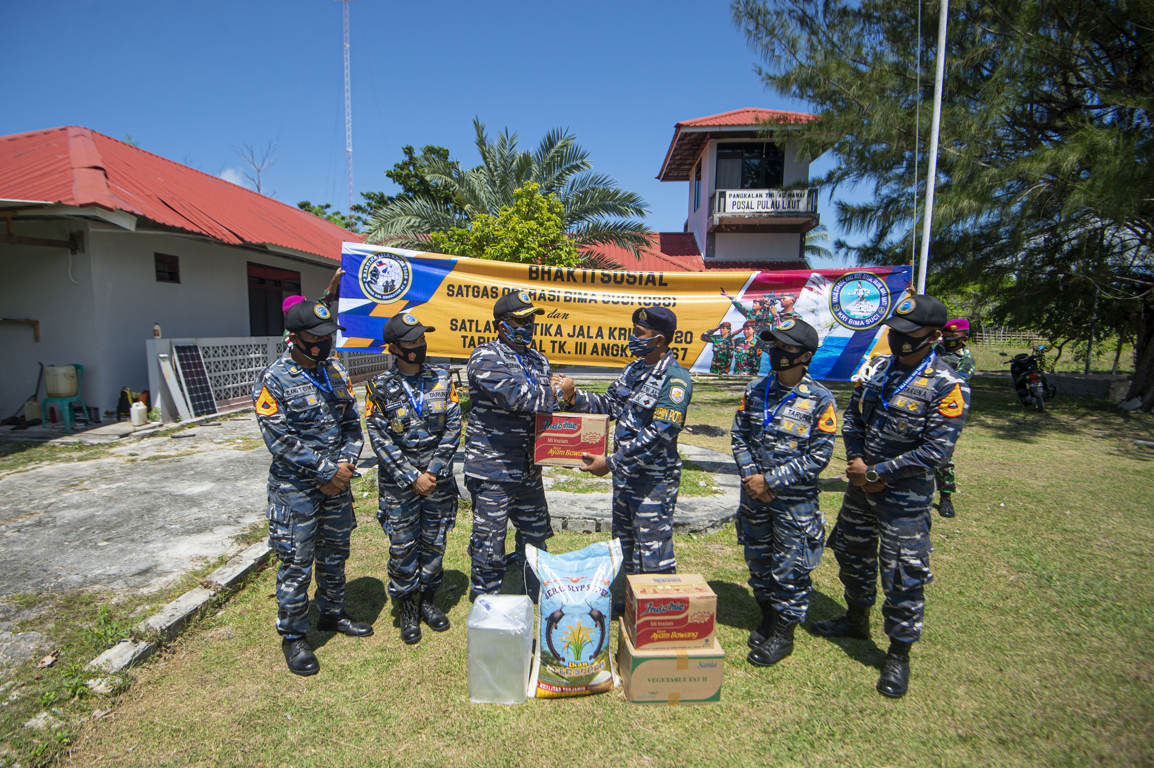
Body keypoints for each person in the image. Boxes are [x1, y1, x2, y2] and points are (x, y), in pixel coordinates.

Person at [815, 293, 970, 698]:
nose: (898, 339)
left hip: (904, 499)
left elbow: (937, 450)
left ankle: (898, 654)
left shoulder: (947, 384)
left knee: (902, 573)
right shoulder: (880, 370)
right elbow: (852, 419)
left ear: (934, 336)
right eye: (894, 332)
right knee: (851, 553)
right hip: (861, 488)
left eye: (908, 333)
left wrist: (878, 472)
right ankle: (855, 617)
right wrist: (858, 463)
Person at [252, 299, 371, 676]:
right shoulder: (274, 378)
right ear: (296, 338)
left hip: (337, 484)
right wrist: (325, 471)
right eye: (316, 337)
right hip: (295, 492)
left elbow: (352, 423)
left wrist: (345, 466)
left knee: (335, 555)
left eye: (327, 336)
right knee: (296, 563)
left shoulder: (335, 370)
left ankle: (332, 613)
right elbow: (278, 438)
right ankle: (294, 636)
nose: (324, 343)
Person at [730, 317, 838, 667]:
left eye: (786, 347)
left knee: (790, 567)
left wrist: (770, 482)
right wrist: (752, 478)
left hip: (794, 504)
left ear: (805, 355)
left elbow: (819, 456)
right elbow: (739, 436)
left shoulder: (820, 400)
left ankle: (783, 633)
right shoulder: (755, 390)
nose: (776, 352)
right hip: (754, 496)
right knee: (758, 560)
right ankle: (766, 615)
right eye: (774, 345)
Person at [557, 307, 693, 577]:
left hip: (652, 482)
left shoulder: (675, 379)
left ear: (660, 340)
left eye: (638, 333)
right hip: (625, 477)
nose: (632, 338)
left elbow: (661, 433)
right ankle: (628, 604)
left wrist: (610, 462)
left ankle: (654, 610)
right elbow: (611, 404)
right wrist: (573, 397)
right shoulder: (634, 369)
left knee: (652, 550)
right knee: (624, 544)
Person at [365, 313, 461, 644]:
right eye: (411, 342)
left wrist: (432, 471)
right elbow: (379, 438)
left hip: (438, 482)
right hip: (399, 487)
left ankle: (428, 602)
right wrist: (411, 476)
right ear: (393, 347)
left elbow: (453, 426)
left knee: (435, 543)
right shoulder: (378, 387)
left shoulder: (443, 380)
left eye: (421, 339)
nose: (419, 346)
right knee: (403, 547)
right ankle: (407, 607)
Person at [464, 291, 565, 599]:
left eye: (530, 321)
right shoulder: (485, 357)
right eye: (519, 321)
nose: (526, 327)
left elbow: (549, 411)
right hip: (493, 469)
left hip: (528, 469)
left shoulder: (538, 360)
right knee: (489, 543)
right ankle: (487, 601)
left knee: (536, 536)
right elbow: (516, 397)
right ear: (501, 324)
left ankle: (533, 591)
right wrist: (561, 394)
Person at [932, 318, 975, 518]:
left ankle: (946, 497)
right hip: (923, 402)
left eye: (952, 336)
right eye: (946, 334)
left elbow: (958, 383)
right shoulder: (935, 349)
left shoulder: (965, 359)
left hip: (946, 409)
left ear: (964, 338)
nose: (947, 338)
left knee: (943, 456)